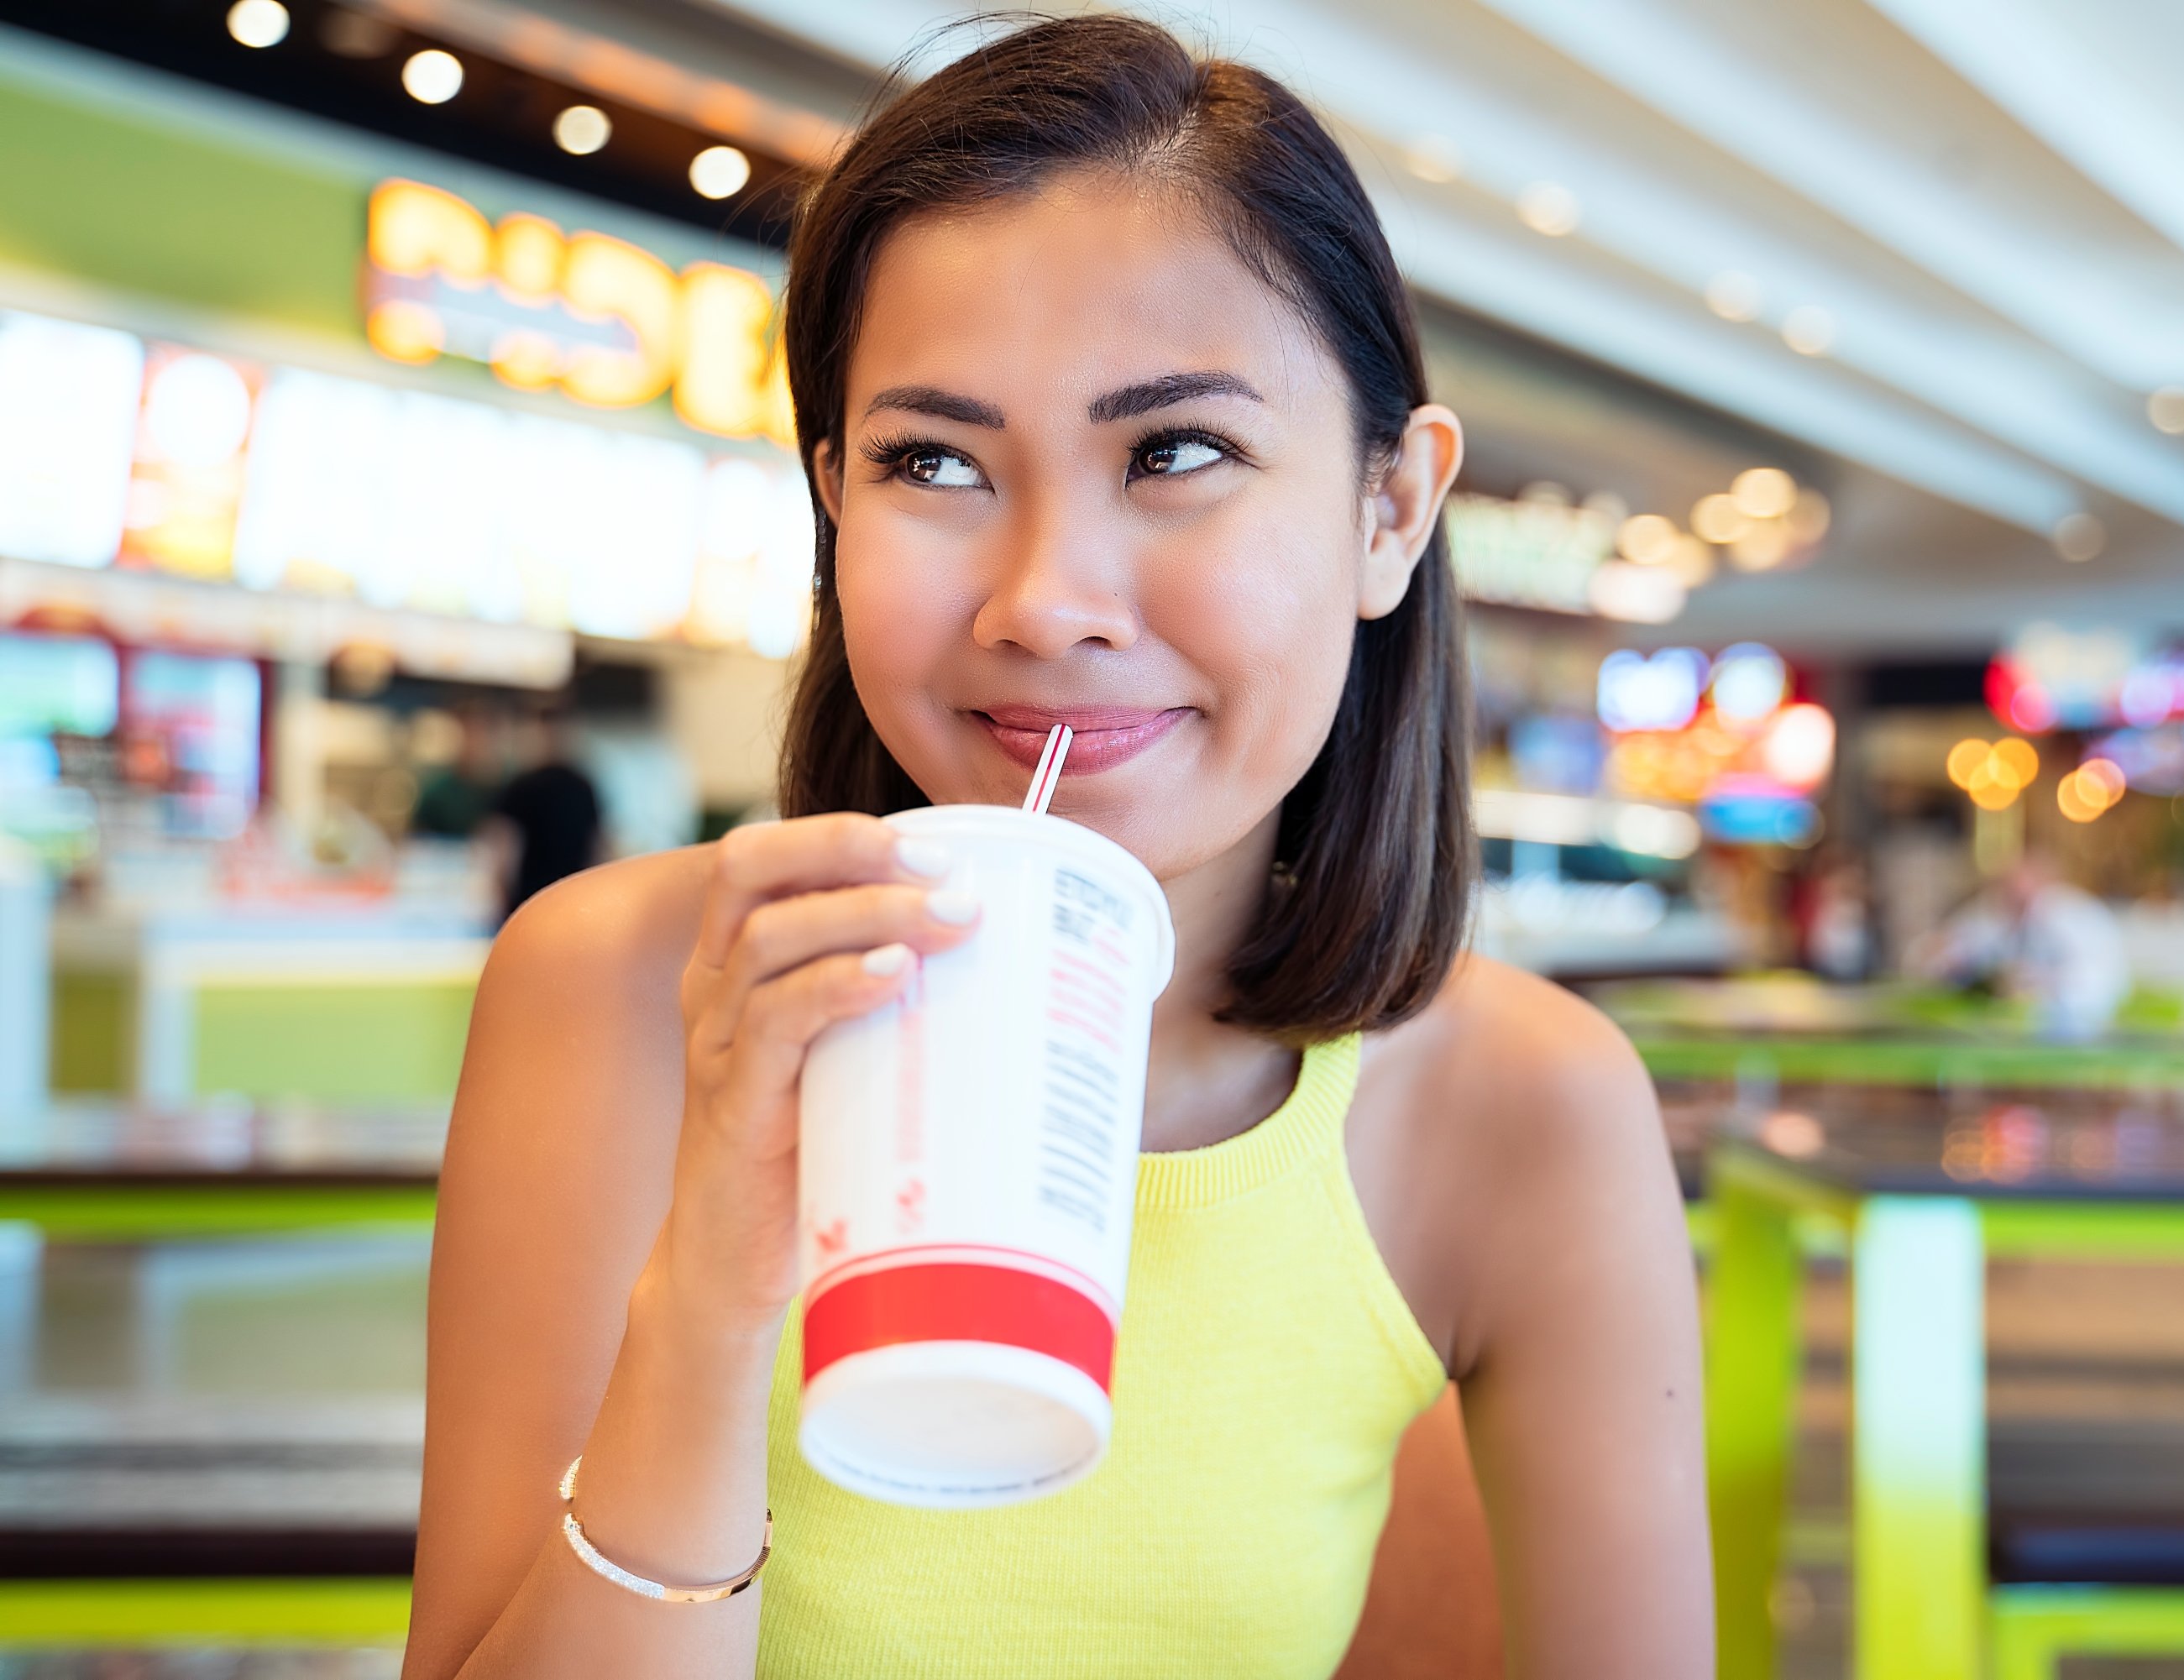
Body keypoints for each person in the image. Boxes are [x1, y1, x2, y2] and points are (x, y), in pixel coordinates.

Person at [405, 18, 1710, 1680]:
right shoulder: (619, 989)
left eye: (1176, 454)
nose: (1042, 603)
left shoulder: (1520, 1104)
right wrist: (710, 1308)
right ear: (834, 501)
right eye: (933, 462)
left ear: (1390, 509)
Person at [1911, 850, 2129, 1039]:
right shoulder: (1989, 911)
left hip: (2072, 1032)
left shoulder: (2078, 916)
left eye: (2024, 886)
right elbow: (1936, 956)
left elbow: (2102, 980)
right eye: (2008, 887)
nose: (2015, 895)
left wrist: (2044, 983)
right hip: (1996, 1032)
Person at [484, 707, 602, 923]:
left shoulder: (581, 787)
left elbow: (503, 850)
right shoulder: (523, 787)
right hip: (552, 900)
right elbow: (504, 848)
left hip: (548, 901)